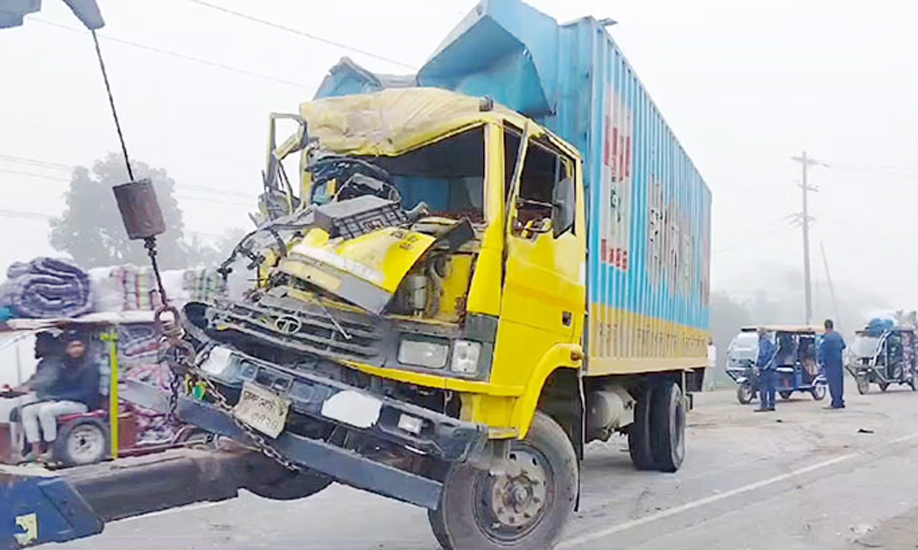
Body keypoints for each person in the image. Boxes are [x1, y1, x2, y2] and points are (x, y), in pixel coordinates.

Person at [19, 330, 101, 462]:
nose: (76, 350)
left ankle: (51, 450)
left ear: (84, 348)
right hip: (63, 401)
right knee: (28, 411)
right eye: (72, 347)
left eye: (79, 346)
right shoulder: (65, 365)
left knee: (46, 411)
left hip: (81, 404)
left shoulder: (90, 367)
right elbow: (57, 386)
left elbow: (87, 392)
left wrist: (58, 397)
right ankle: (35, 449)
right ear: (66, 349)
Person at [819, 319, 847, 409]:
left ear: (825, 327)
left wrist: (820, 362)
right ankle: (840, 401)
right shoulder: (838, 335)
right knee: (839, 383)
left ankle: (835, 402)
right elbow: (844, 346)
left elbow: (821, 351)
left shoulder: (825, 338)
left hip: (830, 363)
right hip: (839, 362)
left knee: (832, 383)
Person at [755, 327, 777, 412]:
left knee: (763, 386)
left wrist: (758, 364)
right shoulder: (770, 341)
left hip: (765, 367)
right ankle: (772, 405)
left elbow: (762, 354)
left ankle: (763, 405)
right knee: (771, 387)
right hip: (772, 367)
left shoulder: (763, 342)